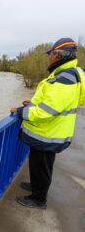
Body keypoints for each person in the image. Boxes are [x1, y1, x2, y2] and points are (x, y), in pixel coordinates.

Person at [10, 37, 85, 209]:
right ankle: (37, 187)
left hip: (48, 133)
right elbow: (53, 102)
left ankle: (39, 199)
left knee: (42, 167)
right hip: (49, 132)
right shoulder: (64, 74)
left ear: (58, 55)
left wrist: (21, 112)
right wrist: (32, 104)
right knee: (41, 166)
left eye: (50, 54)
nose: (48, 57)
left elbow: (48, 110)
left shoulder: (65, 77)